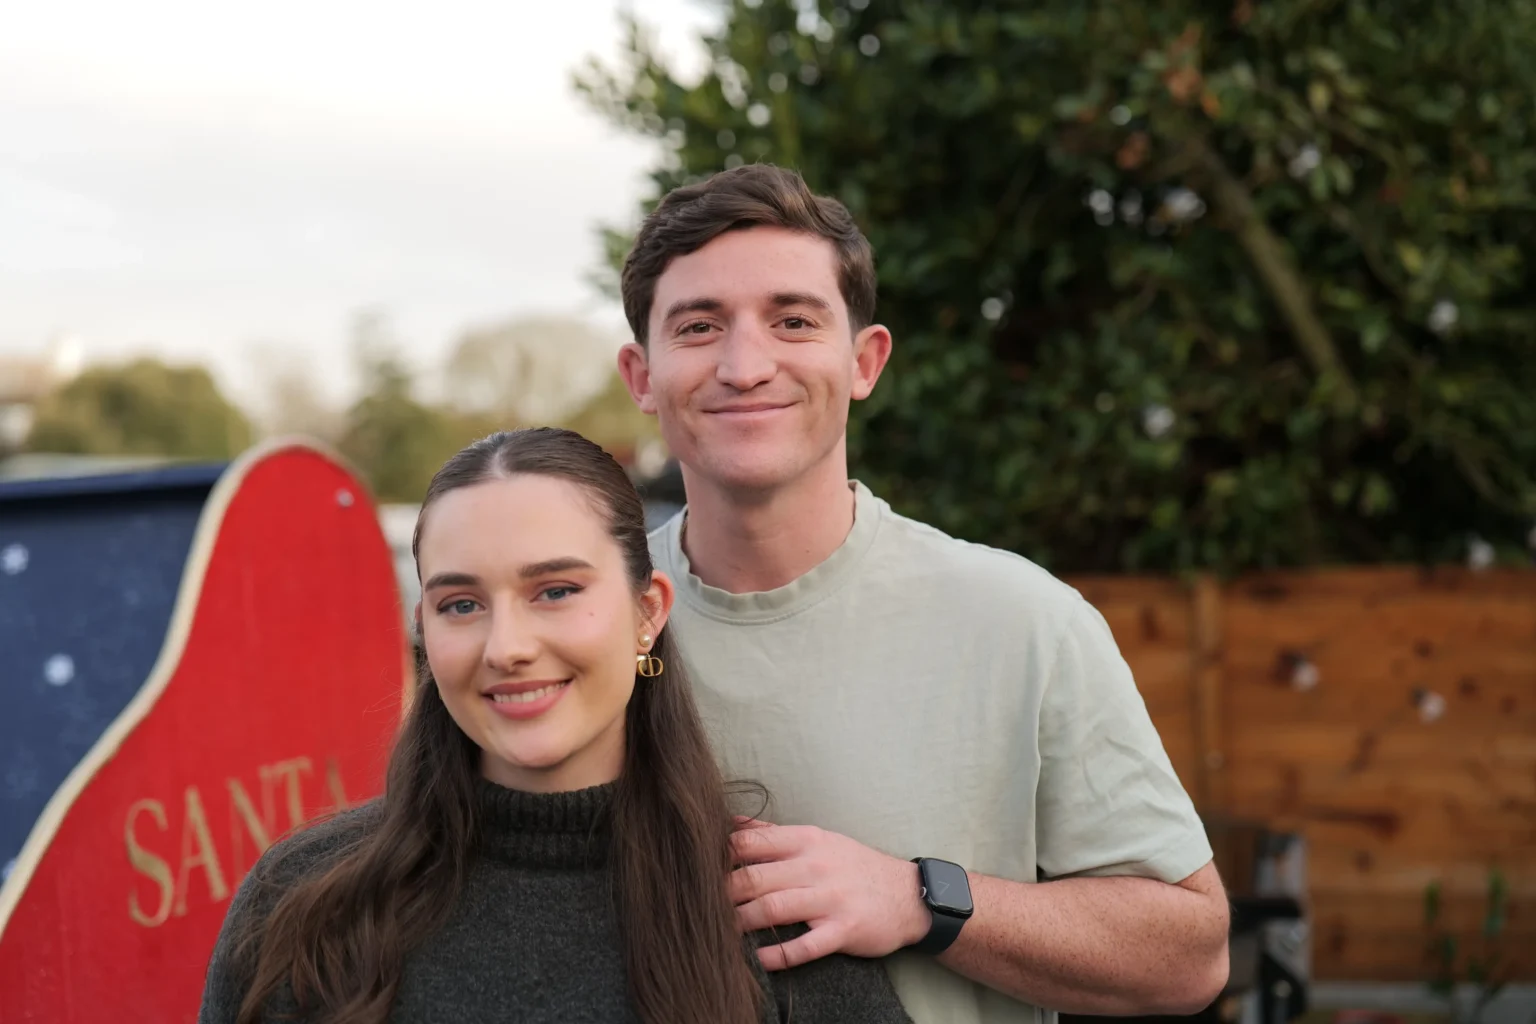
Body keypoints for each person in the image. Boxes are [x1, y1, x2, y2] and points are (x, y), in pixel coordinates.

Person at [615, 164, 1232, 1024]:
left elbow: (1190, 953)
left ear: (863, 362)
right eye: (699, 325)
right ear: (641, 376)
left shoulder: (1023, 622)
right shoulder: (588, 632)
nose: (744, 364)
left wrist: (919, 900)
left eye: (793, 320)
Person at [198, 428, 913, 1024]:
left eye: (556, 591)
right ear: (424, 630)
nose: (506, 645)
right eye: (460, 604)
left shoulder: (773, 914)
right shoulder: (301, 904)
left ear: (647, 612)